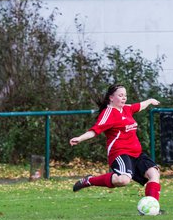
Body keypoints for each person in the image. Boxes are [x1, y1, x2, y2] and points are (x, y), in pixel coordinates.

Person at [69, 84, 162, 213]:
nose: (124, 98)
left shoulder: (126, 109)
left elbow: (139, 106)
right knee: (123, 180)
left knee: (154, 174)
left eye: (125, 95)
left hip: (137, 154)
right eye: (120, 95)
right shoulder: (108, 113)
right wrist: (80, 138)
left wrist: (150, 101)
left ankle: (153, 208)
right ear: (111, 98)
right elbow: (95, 130)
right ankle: (89, 181)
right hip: (120, 153)